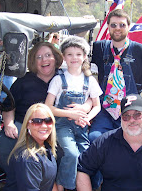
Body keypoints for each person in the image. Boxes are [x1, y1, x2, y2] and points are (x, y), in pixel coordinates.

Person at [0, 41, 92, 174]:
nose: (44, 59)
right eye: (39, 57)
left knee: (64, 152)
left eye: (48, 55)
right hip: (24, 125)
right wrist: (9, 124)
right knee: (0, 147)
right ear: (33, 61)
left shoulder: (66, 77)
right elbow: (9, 106)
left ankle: (51, 182)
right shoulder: (23, 81)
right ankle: (20, 177)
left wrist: (84, 107)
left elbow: (91, 95)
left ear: (55, 58)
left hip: (55, 126)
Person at [89, 9, 142, 145]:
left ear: (129, 27)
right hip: (105, 109)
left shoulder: (140, 50)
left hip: (131, 111)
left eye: (122, 25)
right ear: (108, 26)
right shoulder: (99, 48)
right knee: (94, 139)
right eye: (113, 25)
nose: (117, 29)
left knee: (131, 142)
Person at [76, 94, 142, 191]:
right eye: (126, 116)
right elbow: (83, 169)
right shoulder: (104, 142)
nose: (132, 120)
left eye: (137, 115)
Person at [45, 36, 102, 191]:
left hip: (82, 125)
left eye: (78, 54)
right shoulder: (58, 80)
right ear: (63, 57)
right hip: (62, 125)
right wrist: (71, 114)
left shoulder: (89, 80)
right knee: (71, 154)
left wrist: (85, 117)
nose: (74, 58)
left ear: (84, 57)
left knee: (85, 156)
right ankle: (63, 187)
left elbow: (97, 106)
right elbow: (48, 107)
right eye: (69, 54)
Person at [4, 103, 58, 191]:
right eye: (37, 121)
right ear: (27, 125)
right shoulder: (28, 158)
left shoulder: (47, 148)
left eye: (48, 120)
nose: (44, 126)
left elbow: (50, 184)